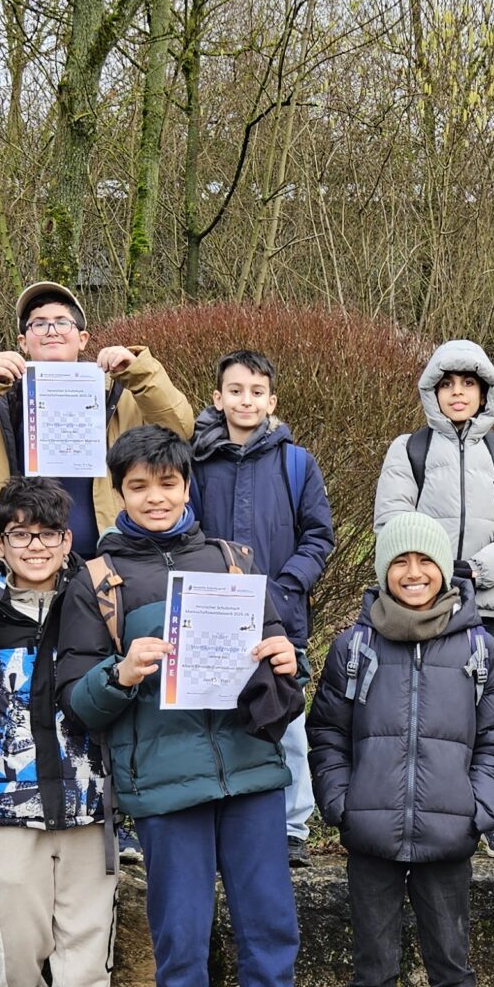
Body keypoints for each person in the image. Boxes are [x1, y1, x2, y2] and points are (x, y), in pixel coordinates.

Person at [53, 425, 335, 987]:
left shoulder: (235, 561)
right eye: (139, 485)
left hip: (249, 777)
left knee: (271, 930)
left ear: (187, 486)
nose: (155, 497)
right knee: (180, 937)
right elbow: (75, 704)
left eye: (168, 483)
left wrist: (286, 659)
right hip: (164, 789)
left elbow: (282, 688)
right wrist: (119, 674)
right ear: (120, 491)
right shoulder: (98, 580)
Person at [308, 513, 494, 987]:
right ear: (384, 571)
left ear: (443, 570)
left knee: (449, 962)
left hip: (448, 836)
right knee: (374, 961)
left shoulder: (478, 647)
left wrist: (477, 808)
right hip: (369, 833)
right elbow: (326, 735)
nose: (413, 574)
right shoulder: (355, 647)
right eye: (400, 563)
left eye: (424, 562)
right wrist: (341, 805)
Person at [0, 475, 116, 987]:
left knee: (88, 933)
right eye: (20, 533)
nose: (36, 546)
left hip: (88, 796)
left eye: (48, 533)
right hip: (9, 799)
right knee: (18, 939)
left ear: (68, 538)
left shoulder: (94, 598)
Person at [372, 339, 494, 857]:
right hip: (422, 605)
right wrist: (437, 571)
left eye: (469, 384)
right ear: (433, 391)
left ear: (485, 390)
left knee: (490, 712)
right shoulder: (408, 450)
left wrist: (477, 570)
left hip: (484, 607)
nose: (458, 393)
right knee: (428, 714)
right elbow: (391, 522)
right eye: (448, 384)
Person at [0, 280, 194, 561]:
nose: (51, 331)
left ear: (83, 339)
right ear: (23, 343)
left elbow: (179, 429)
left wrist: (138, 371)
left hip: (106, 558)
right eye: (38, 324)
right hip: (22, 560)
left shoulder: (122, 392)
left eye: (62, 322)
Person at [191, 348, 335, 869]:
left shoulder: (297, 463)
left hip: (282, 614)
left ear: (271, 400)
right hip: (213, 613)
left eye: (256, 392)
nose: (245, 400)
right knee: (214, 714)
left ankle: (293, 825)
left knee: (287, 716)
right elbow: (187, 532)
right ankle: (220, 816)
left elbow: (319, 535)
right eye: (235, 391)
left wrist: (286, 588)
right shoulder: (197, 461)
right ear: (217, 397)